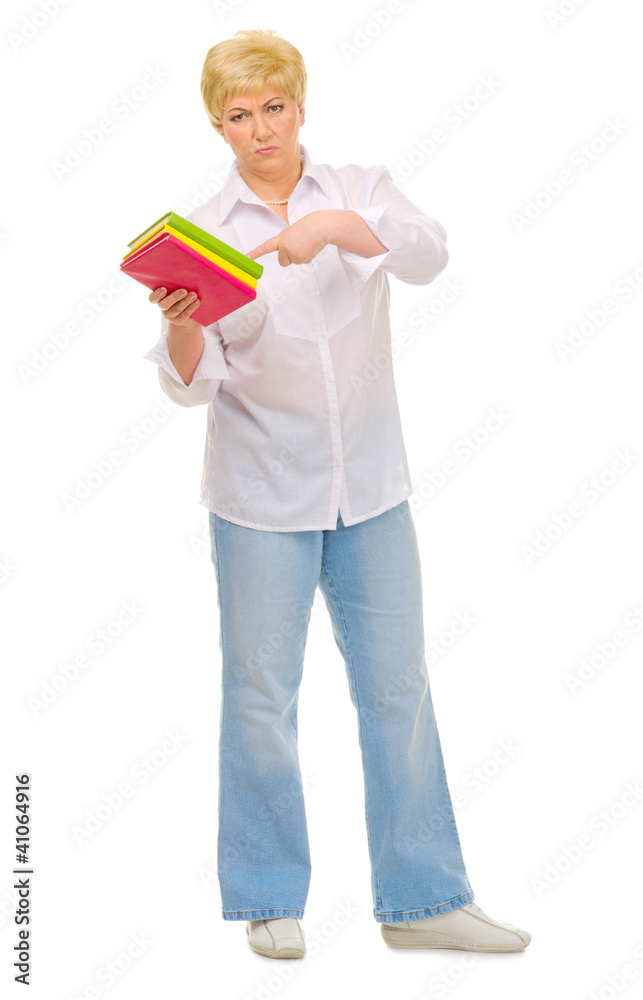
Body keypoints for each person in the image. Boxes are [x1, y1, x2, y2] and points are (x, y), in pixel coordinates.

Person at [143, 28, 532, 960]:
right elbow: (192, 383)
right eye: (238, 116)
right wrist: (185, 330)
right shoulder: (209, 231)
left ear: (301, 105)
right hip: (259, 499)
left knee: (398, 689)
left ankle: (422, 897)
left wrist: (330, 231)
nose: (260, 128)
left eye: (273, 107)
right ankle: (268, 896)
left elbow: (427, 253)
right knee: (260, 697)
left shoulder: (360, 188)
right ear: (217, 127)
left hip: (372, 489)